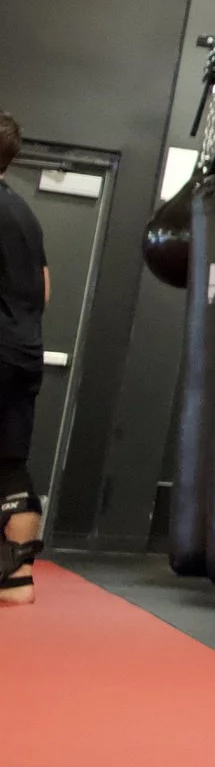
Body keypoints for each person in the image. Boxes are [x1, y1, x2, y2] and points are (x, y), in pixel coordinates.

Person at [0, 112, 49, 607]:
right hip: (23, 349)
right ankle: (17, 580)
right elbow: (44, 288)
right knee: (10, 462)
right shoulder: (25, 215)